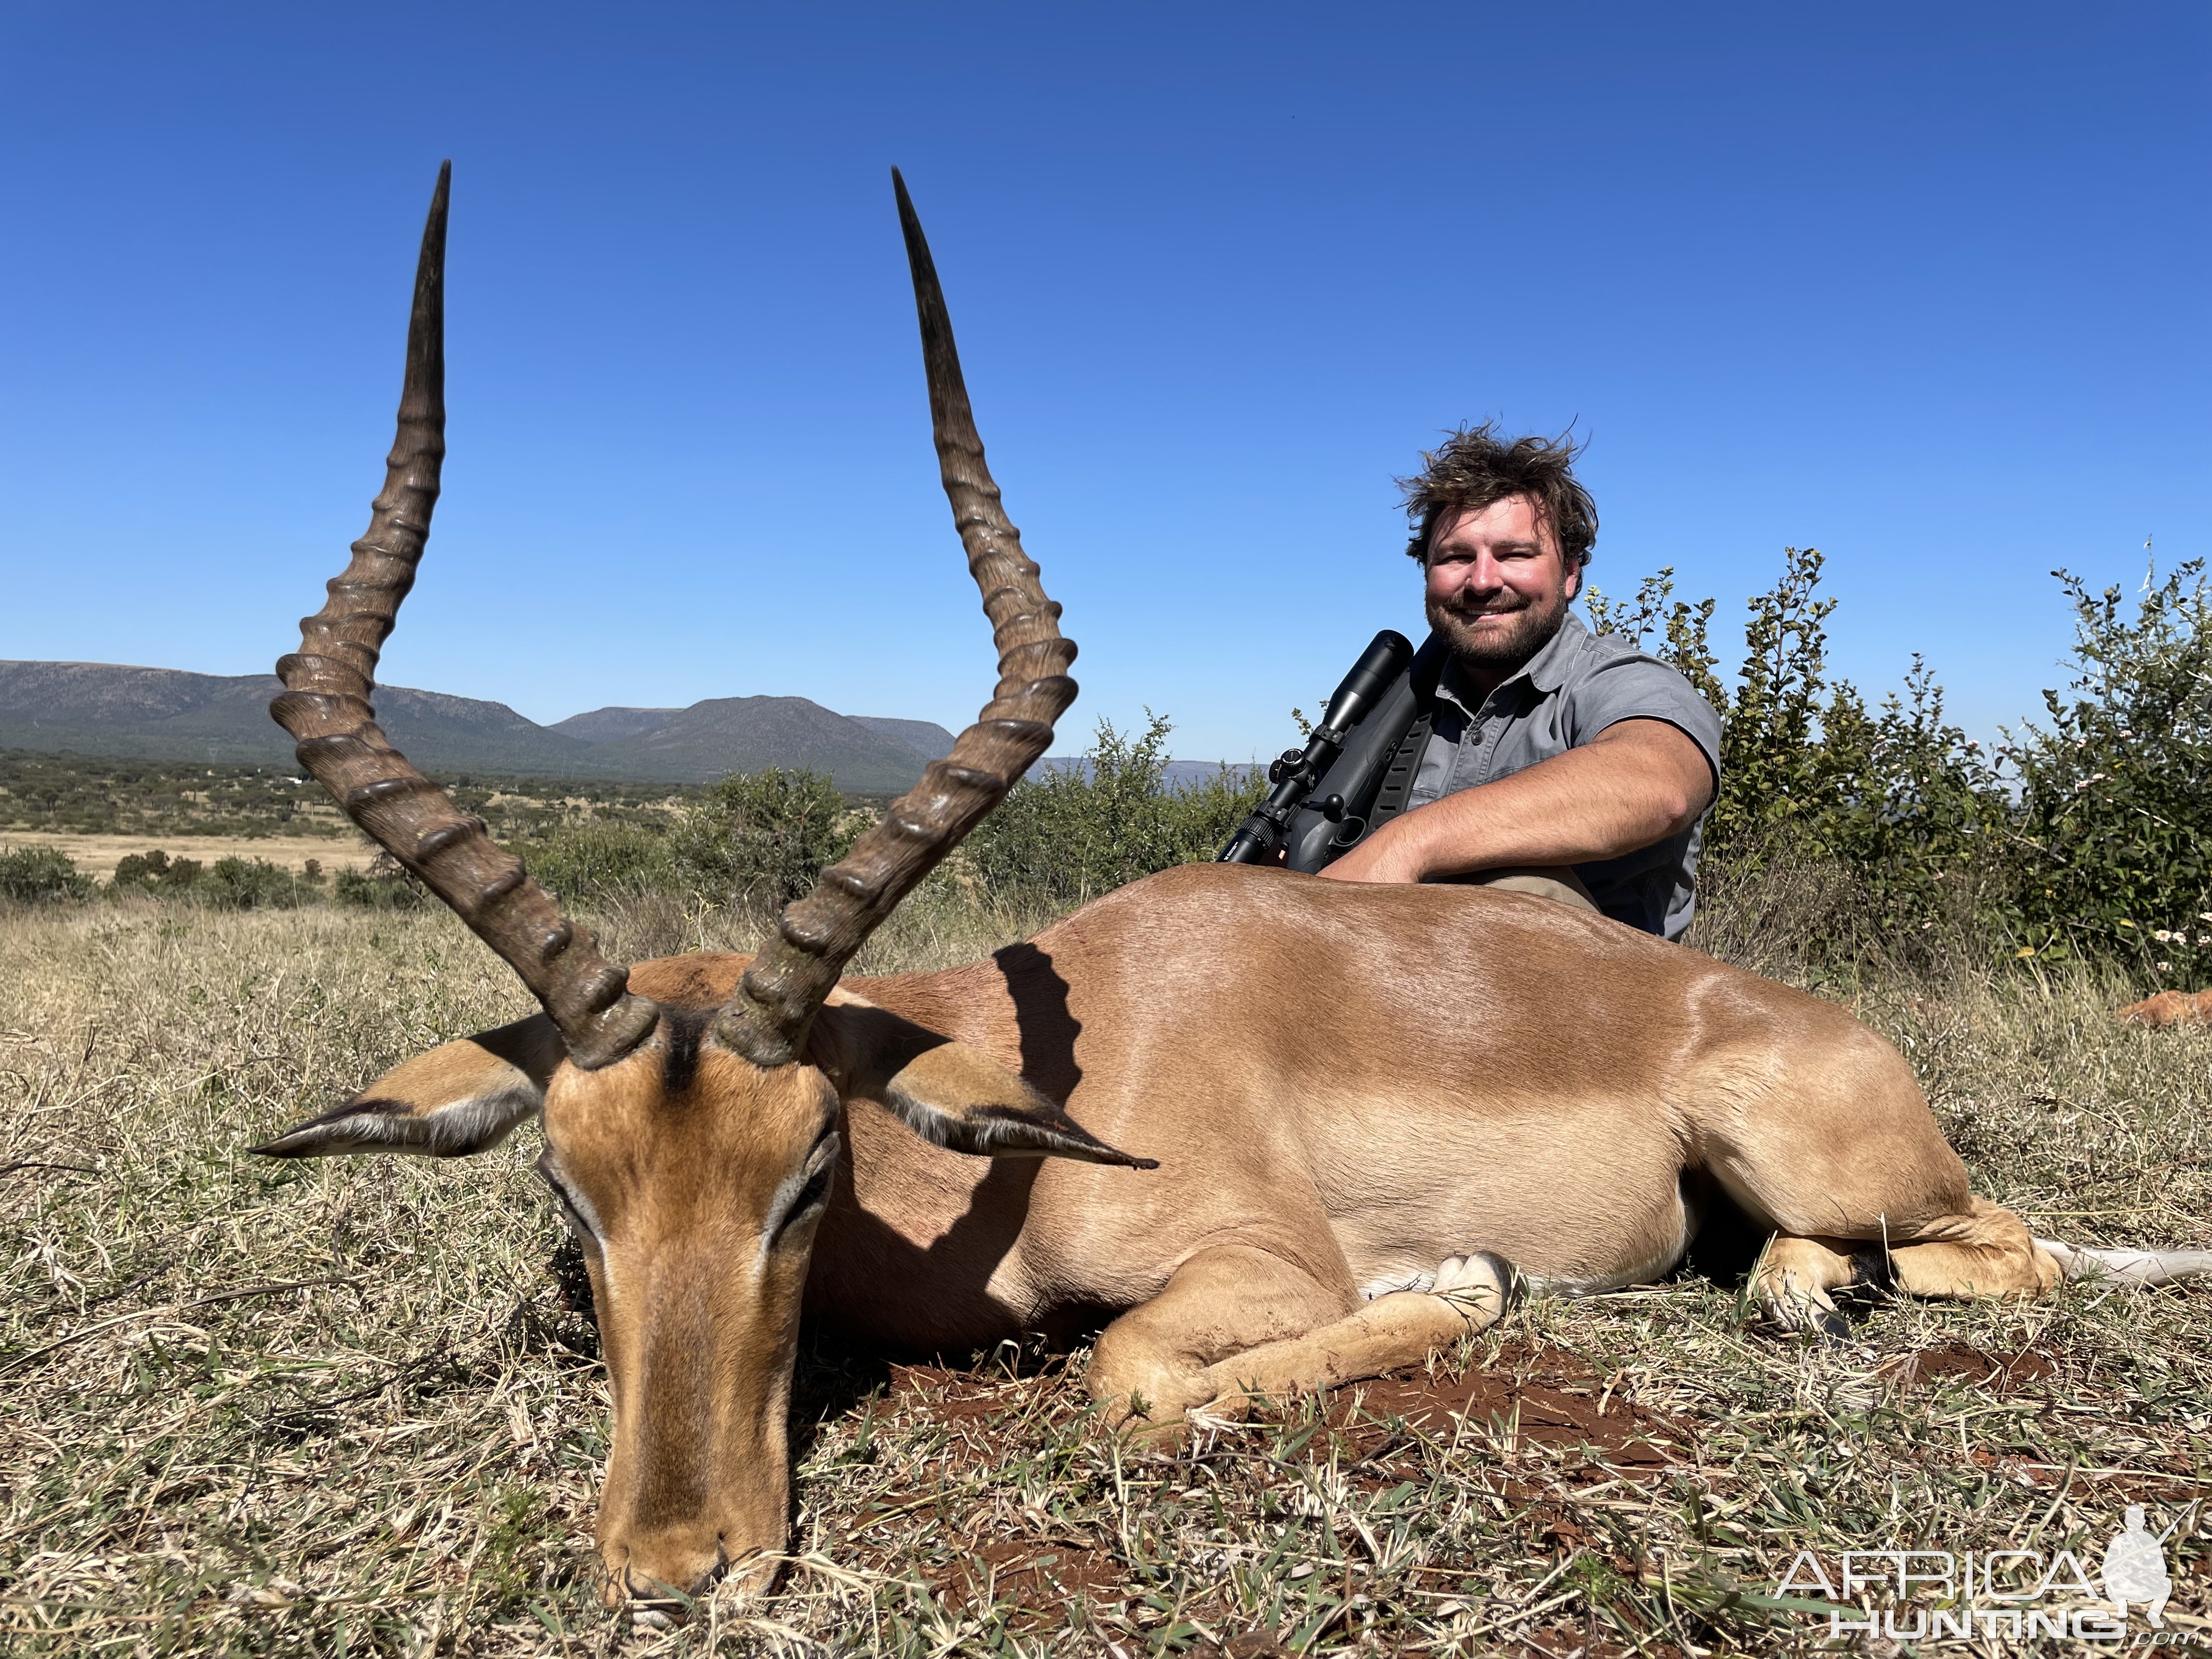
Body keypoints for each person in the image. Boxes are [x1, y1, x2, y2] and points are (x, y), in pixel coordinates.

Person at [1319, 424, 1721, 940]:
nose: (1483, 581)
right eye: (1456, 557)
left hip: (1588, 1012)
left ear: (1571, 573)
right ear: (1427, 574)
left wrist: (1407, 845)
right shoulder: (1398, 703)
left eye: (1514, 555)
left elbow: (1659, 787)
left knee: (1522, 890)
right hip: (1391, 992)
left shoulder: (1620, 680)